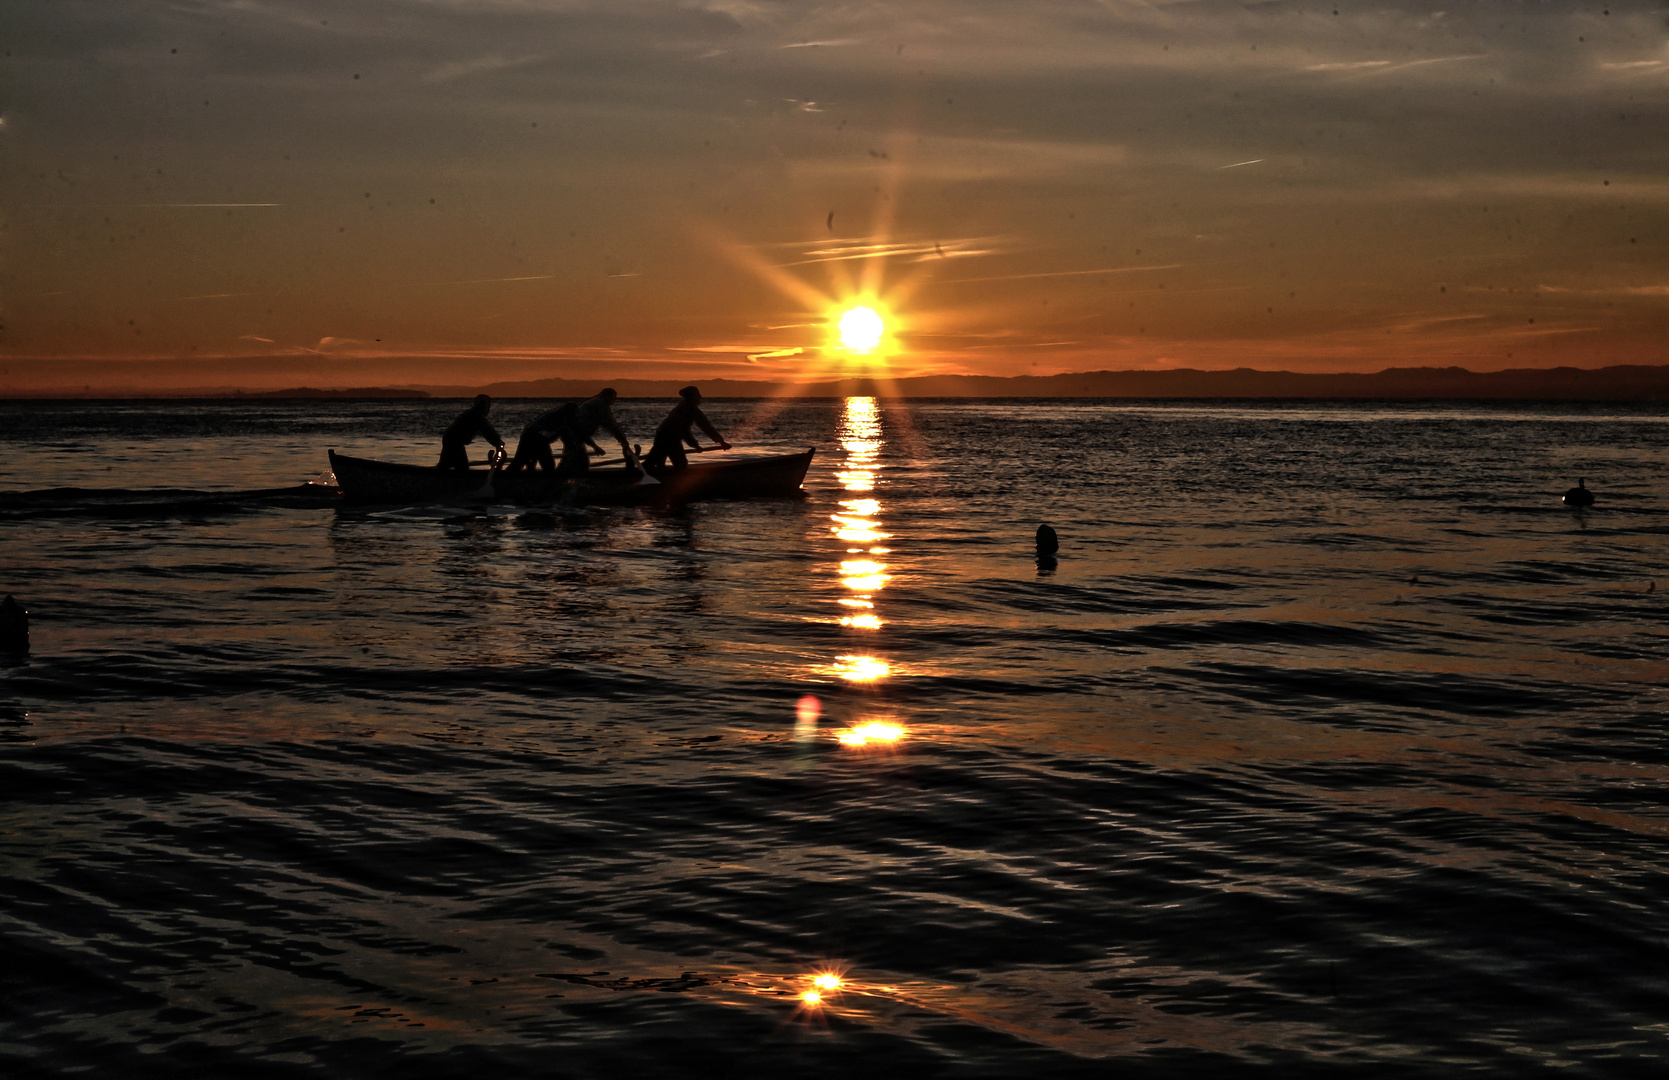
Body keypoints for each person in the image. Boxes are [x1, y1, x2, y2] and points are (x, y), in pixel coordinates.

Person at [645, 385, 730, 472]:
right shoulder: (689, 410)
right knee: (680, 465)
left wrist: (696, 445)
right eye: (697, 395)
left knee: (654, 461)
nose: (700, 397)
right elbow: (704, 428)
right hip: (670, 439)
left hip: (662, 435)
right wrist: (696, 445)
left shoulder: (682, 407)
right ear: (691, 397)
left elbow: (701, 428)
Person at [556, 388, 637, 477]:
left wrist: (621, 439)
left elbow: (607, 424)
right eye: (613, 398)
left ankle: (560, 478)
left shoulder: (597, 403)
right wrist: (622, 439)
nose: (613, 401)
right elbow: (610, 423)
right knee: (580, 460)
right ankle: (575, 482)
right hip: (574, 434)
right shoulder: (600, 404)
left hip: (575, 434)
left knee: (571, 458)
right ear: (608, 397)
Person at [504, 402, 601, 475]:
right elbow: (580, 434)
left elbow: (578, 435)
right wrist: (594, 447)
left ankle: (507, 478)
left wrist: (594, 446)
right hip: (534, 437)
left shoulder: (562, 417)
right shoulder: (563, 418)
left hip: (533, 435)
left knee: (522, 462)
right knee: (545, 465)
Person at [437, 395, 506, 472]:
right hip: (454, 441)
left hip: (450, 439)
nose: (488, 409)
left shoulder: (471, 414)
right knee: (462, 468)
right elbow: (488, 432)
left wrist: (498, 443)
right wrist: (498, 443)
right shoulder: (476, 417)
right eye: (487, 406)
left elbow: (489, 432)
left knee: (446, 465)